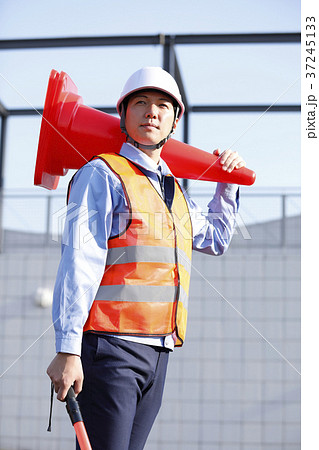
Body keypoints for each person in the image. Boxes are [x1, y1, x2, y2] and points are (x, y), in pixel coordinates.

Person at [47, 66, 246, 450]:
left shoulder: (174, 192)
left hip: (159, 353)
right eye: (140, 103)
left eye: (162, 106)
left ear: (174, 120)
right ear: (123, 115)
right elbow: (79, 263)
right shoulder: (102, 174)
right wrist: (68, 349)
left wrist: (227, 183)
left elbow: (216, 238)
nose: (151, 112)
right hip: (109, 351)